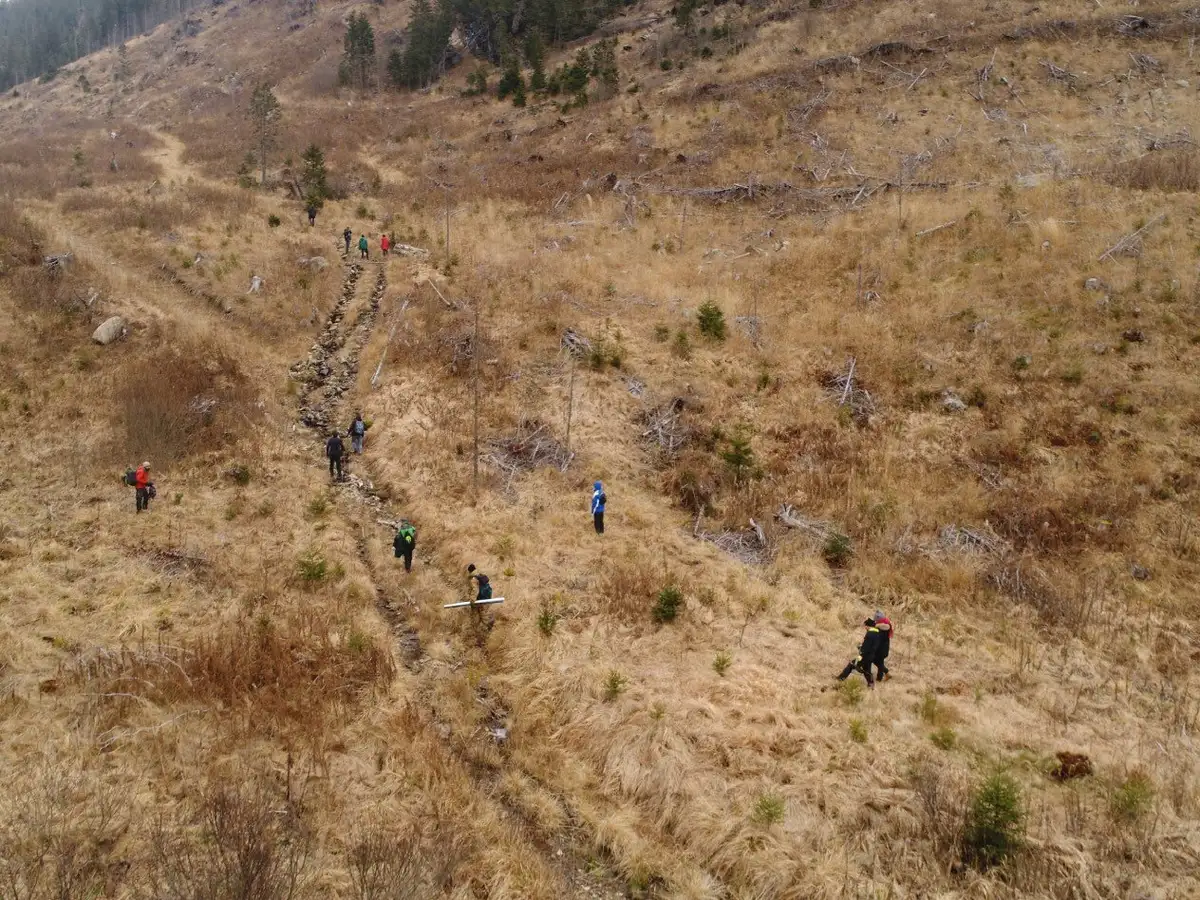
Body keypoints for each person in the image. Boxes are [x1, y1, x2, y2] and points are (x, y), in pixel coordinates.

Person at [836, 618, 882, 688]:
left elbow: (866, 647)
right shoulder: (877, 633)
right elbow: (872, 645)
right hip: (871, 655)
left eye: (865, 626)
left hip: (865, 656)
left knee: (851, 664)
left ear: (868, 626)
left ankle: (840, 678)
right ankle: (871, 684)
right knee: (867, 670)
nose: (865, 628)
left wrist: (861, 654)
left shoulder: (869, 634)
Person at [872, 610, 893, 682]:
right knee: (879, 662)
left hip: (881, 649)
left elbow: (878, 637)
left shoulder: (883, 627)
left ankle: (880, 678)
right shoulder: (885, 624)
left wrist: (873, 628)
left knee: (877, 661)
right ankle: (884, 675)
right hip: (882, 648)